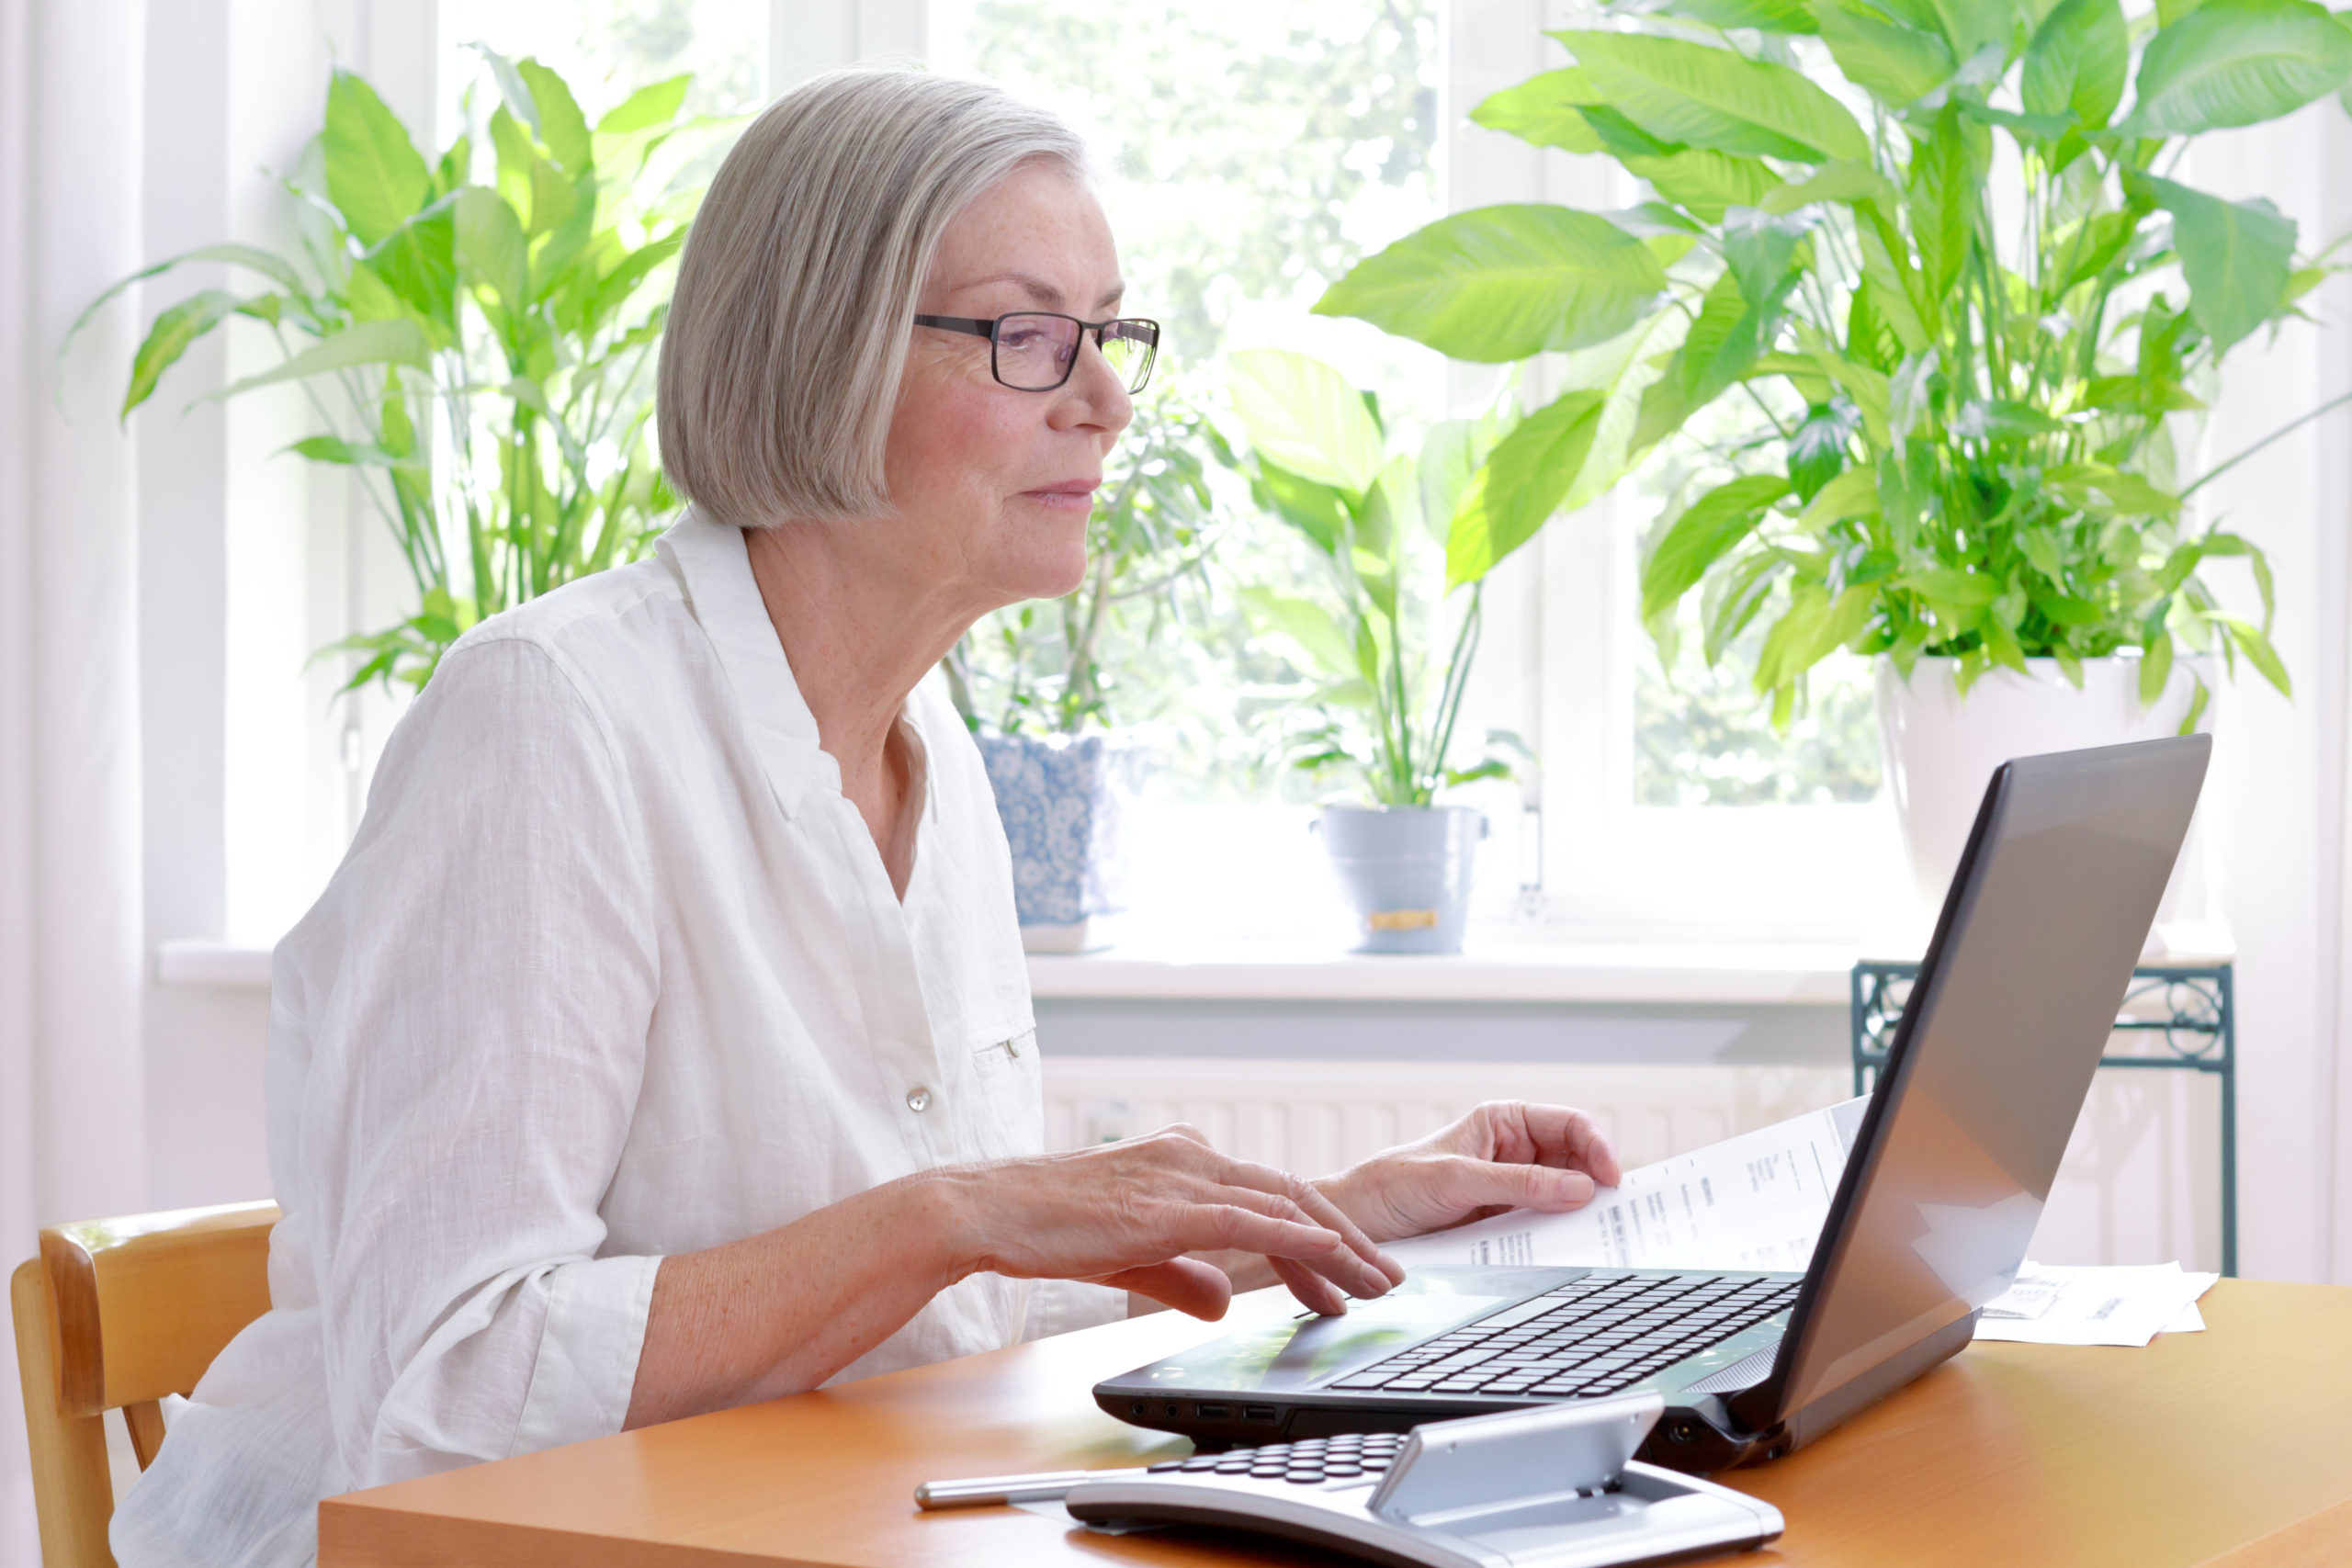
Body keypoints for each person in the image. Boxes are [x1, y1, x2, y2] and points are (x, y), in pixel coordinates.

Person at [111, 68, 1619, 1565]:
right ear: (822, 351)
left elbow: (938, 1314)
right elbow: (442, 1395)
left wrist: (1319, 1220)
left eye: (1110, 335)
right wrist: (947, 1212)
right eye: (1030, 337)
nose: (1105, 398)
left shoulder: (932, 754)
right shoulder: (545, 722)